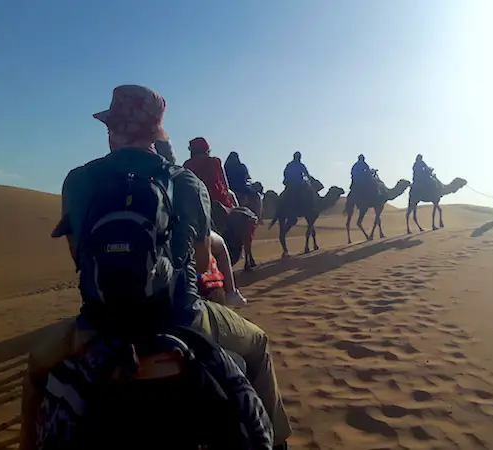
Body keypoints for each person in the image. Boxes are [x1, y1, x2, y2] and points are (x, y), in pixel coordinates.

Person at [21, 85, 292, 449]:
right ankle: (278, 441)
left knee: (38, 367)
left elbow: (78, 257)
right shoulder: (187, 181)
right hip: (185, 317)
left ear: (112, 130)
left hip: (98, 324)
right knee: (257, 343)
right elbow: (199, 262)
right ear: (156, 131)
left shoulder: (80, 179)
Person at [156, 140, 248, 306]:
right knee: (221, 242)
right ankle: (231, 292)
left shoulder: (186, 164)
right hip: (209, 202)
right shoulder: (212, 162)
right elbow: (224, 185)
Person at [183, 137, 237, 208]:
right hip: (216, 196)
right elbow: (224, 182)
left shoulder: (187, 164)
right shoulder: (214, 161)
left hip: (193, 199)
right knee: (236, 209)